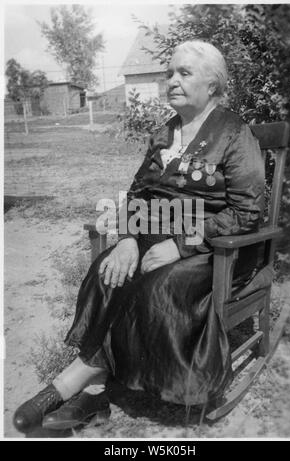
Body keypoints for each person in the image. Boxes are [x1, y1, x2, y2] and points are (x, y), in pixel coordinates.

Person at [13, 40, 265, 433]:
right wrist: (130, 238)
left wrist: (180, 245)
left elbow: (248, 212)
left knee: (159, 286)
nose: (172, 81)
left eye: (185, 73)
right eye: (169, 73)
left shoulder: (234, 133)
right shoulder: (165, 133)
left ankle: (72, 382)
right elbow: (138, 194)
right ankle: (95, 391)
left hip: (217, 249)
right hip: (156, 234)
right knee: (106, 269)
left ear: (213, 84)